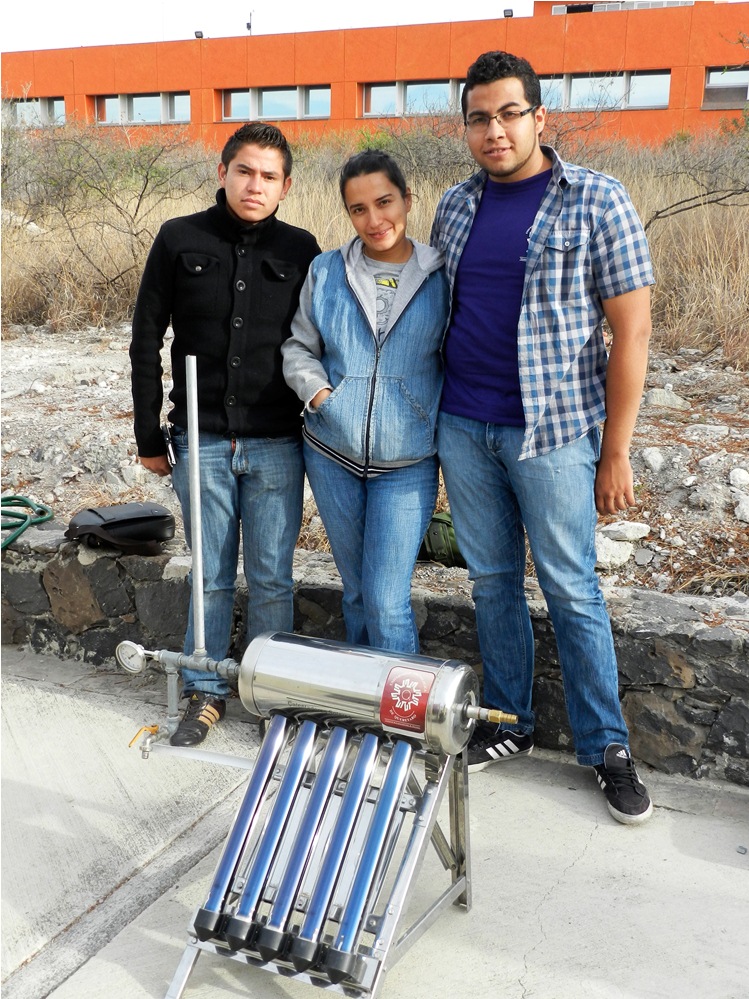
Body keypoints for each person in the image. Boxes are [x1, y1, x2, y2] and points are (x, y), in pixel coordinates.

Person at [431, 51, 654, 825]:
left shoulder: (598, 200)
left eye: (508, 114)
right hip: (464, 425)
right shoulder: (454, 206)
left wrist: (615, 449)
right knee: (491, 580)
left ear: (538, 117)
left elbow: (631, 333)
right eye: (478, 118)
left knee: (570, 585)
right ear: (465, 127)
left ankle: (606, 746)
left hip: (555, 432)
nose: (494, 131)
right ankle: (507, 720)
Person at [130, 122, 321, 747]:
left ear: (285, 186)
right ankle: (204, 691)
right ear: (223, 172)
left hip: (277, 443)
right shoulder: (178, 237)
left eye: (269, 176)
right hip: (201, 439)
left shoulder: (302, 249)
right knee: (210, 573)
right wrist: (149, 436)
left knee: (271, 578)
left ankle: (270, 696)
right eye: (244, 171)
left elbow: (318, 341)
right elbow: (145, 339)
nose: (254, 185)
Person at [282, 150, 449, 653]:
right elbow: (299, 347)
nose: (374, 220)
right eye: (359, 209)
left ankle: (402, 702)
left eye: (384, 202)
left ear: (407, 200)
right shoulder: (327, 270)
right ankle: (360, 693)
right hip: (331, 453)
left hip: (408, 462)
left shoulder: (442, 274)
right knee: (355, 593)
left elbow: (458, 354)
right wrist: (321, 396)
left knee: (385, 599)